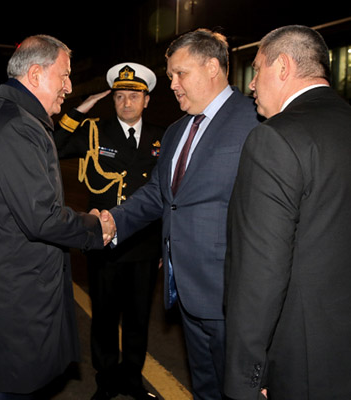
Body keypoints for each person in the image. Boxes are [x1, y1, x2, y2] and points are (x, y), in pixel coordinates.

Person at [98, 29, 260, 400]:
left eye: (180, 74)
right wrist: (111, 221)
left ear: (213, 67)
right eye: (171, 75)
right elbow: (159, 194)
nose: (172, 84)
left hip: (233, 295)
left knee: (240, 390)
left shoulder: (254, 120)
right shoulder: (175, 131)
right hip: (185, 289)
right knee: (204, 386)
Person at [0, 34, 110, 400]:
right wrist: (96, 227)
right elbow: (42, 218)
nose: (69, 87)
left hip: (2, 293)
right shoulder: (16, 125)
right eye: (64, 76)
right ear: (35, 74)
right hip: (11, 302)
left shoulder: (6, 116)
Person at [223, 25, 351, 400]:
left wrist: (246, 377)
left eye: (256, 69)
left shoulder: (275, 138)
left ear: (282, 67)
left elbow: (260, 270)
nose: (251, 84)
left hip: (301, 360)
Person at [53, 62, 163, 400]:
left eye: (134, 96)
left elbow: (171, 193)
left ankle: (132, 378)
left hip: (144, 243)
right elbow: (53, 145)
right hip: (104, 241)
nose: (126, 102)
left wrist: (166, 244)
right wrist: (80, 109)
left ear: (146, 100)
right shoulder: (94, 131)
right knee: (103, 315)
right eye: (119, 96)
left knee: (138, 317)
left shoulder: (163, 136)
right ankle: (106, 379)